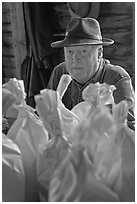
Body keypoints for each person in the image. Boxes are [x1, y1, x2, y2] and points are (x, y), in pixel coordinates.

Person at [47, 17, 135, 130]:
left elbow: (129, 132)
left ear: (99, 54)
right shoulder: (59, 73)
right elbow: (47, 117)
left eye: (83, 51)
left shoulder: (116, 78)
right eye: (69, 51)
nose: (75, 58)